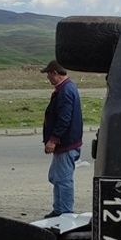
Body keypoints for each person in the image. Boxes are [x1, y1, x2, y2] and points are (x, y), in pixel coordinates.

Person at [41, 60, 83, 218]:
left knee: (63, 180)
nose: (48, 78)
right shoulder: (66, 88)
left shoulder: (65, 91)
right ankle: (59, 209)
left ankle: (65, 212)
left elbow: (64, 118)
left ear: (55, 73)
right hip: (66, 142)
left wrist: (53, 139)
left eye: (48, 74)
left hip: (65, 143)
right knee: (56, 177)